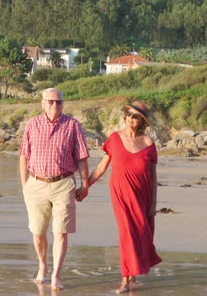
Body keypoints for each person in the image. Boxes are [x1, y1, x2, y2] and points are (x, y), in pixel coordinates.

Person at [77, 101, 161, 293]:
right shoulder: (114, 139)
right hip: (121, 195)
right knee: (127, 234)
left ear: (142, 121)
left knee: (140, 233)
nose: (132, 118)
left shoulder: (148, 143)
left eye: (136, 116)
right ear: (125, 116)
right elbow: (101, 167)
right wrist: (85, 186)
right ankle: (125, 280)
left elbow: (154, 176)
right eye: (130, 114)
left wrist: (154, 203)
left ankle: (132, 276)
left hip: (143, 195)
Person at [19, 88, 90, 291]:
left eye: (58, 102)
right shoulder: (32, 124)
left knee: (61, 232)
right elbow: (24, 155)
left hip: (63, 184)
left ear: (63, 103)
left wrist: (85, 184)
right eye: (50, 102)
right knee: (38, 231)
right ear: (42, 103)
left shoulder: (73, 125)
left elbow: (82, 157)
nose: (54, 105)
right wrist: (25, 185)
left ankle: (56, 275)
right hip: (36, 184)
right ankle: (42, 265)